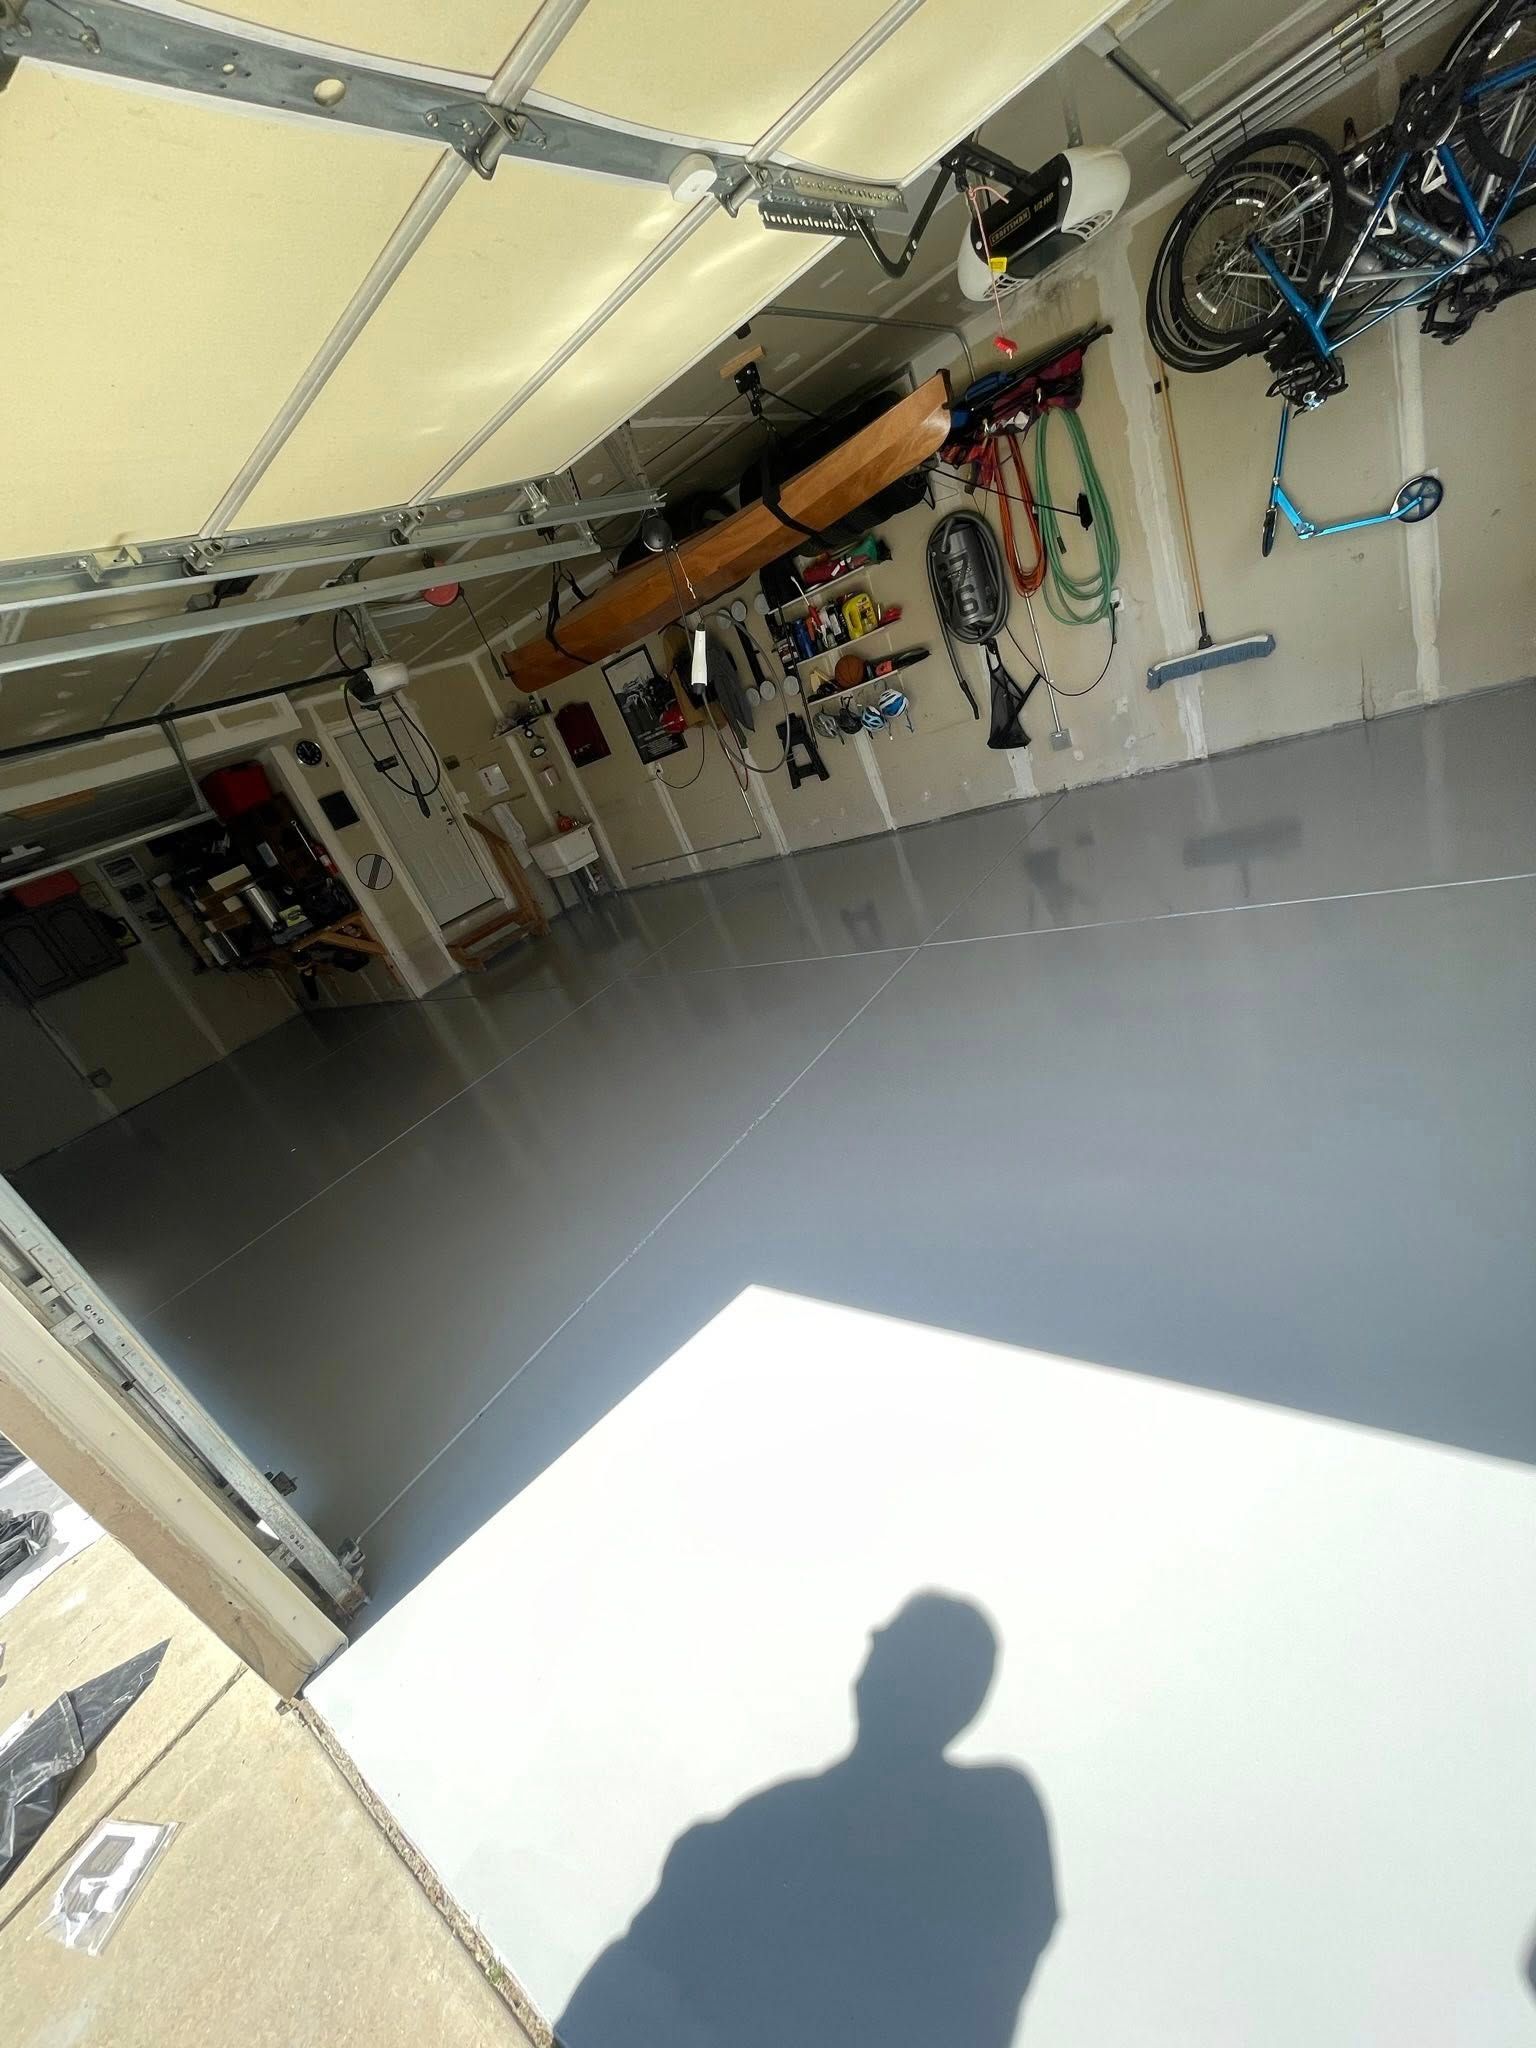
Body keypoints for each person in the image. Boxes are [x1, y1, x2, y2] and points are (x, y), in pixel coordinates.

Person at [558, 1591, 1058, 2048]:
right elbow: (639, 1971)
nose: (875, 1640)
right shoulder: (771, 1821)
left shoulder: (989, 1819)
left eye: (901, 1642)